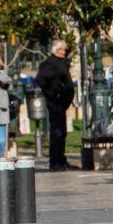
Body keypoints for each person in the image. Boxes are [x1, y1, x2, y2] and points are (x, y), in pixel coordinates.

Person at [37, 38, 75, 171]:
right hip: (55, 103)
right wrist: (53, 94)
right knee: (57, 132)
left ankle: (61, 159)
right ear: (57, 50)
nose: (65, 51)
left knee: (62, 132)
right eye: (64, 49)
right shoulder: (50, 63)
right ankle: (55, 162)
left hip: (62, 104)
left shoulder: (60, 63)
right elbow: (41, 80)